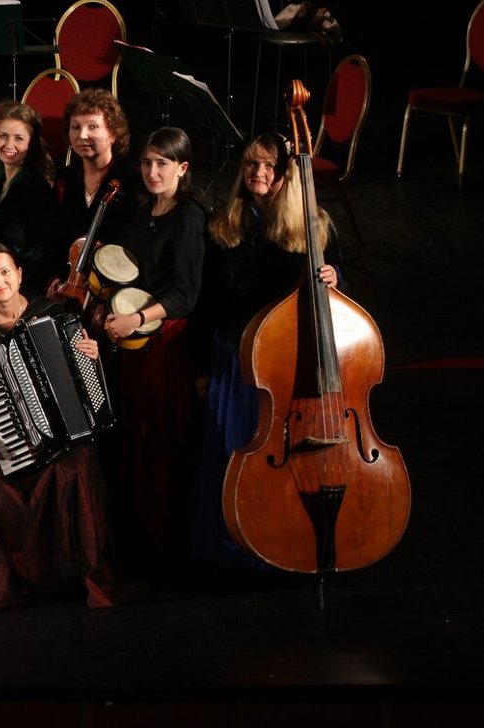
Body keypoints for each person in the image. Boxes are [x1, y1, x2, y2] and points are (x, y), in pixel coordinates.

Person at [0, 243, 133, 609]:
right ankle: (3, 585)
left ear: (19, 275)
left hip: (58, 440)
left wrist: (92, 357)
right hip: (2, 438)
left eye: (5, 272)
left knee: (78, 464)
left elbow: (84, 381)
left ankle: (82, 575)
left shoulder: (52, 315)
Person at [195, 133, 339, 569]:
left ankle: (282, 542)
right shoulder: (224, 226)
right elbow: (207, 304)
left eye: (269, 167)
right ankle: (235, 549)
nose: (258, 173)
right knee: (233, 451)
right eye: (251, 164)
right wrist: (201, 368)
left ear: (285, 175)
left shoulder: (312, 227)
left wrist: (335, 280)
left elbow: (332, 305)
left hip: (284, 364)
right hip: (234, 358)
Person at [99, 126, 206, 577]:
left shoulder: (189, 217)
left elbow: (186, 294)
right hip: (138, 338)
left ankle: (165, 551)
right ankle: (139, 543)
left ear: (183, 168)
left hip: (167, 341)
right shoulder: (145, 210)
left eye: (163, 163)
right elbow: (132, 270)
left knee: (161, 441)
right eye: (147, 162)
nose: (152, 171)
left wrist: (136, 319)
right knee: (136, 440)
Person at [48, 89, 138, 294]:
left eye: (92, 126)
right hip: (68, 281)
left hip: (113, 286)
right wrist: (55, 277)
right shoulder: (65, 178)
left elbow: (130, 240)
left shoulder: (130, 177)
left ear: (113, 133)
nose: (82, 135)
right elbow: (56, 238)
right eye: (75, 127)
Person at [0, 101, 57, 291]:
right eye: (3, 136)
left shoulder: (35, 187)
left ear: (31, 144)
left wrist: (15, 281)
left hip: (22, 285)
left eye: (18, 138)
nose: (9, 145)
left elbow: (42, 249)